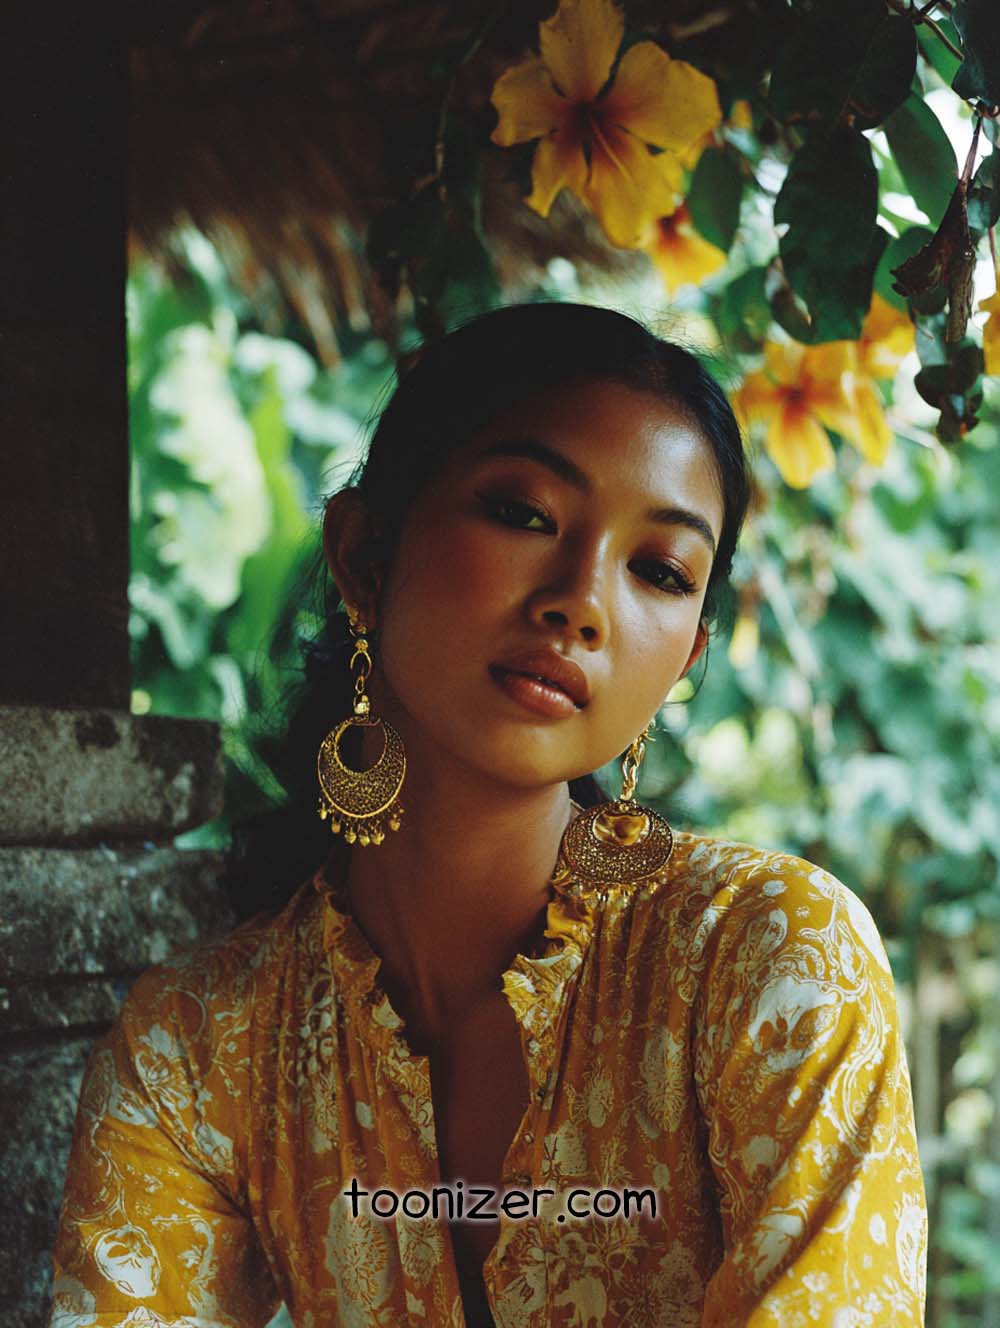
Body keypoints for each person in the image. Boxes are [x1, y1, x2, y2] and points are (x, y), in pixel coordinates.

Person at [50, 303, 927, 1327]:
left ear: (684, 657)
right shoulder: (195, 1045)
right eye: (523, 512)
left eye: (659, 569)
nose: (582, 600)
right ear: (365, 556)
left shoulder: (771, 959)